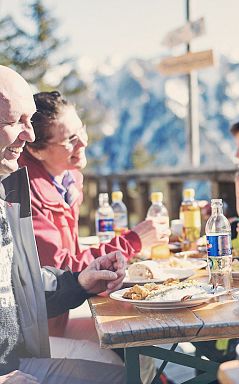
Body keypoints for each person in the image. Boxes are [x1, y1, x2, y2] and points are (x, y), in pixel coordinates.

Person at [0, 65, 126, 383]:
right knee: (115, 370)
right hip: (18, 354)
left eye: (30, 121)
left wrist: (80, 281)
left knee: (126, 347)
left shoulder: (8, 192)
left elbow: (18, 282)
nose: (27, 135)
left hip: (19, 346)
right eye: (15, 122)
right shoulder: (23, 189)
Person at [18, 91, 169, 336]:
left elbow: (71, 254)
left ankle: (159, 376)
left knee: (136, 333)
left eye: (82, 130)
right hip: (36, 334)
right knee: (130, 340)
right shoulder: (26, 193)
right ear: (36, 151)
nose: (84, 143)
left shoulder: (66, 178)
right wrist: (131, 242)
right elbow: (61, 271)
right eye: (71, 139)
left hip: (58, 319)